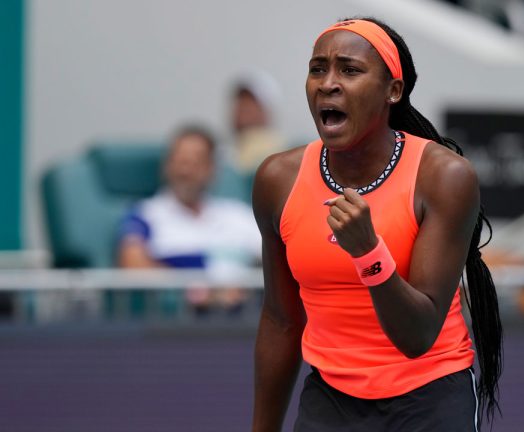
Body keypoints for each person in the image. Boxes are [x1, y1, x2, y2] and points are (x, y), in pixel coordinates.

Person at [251, 17, 503, 431]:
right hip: (330, 402)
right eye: (318, 68)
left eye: (349, 70)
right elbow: (281, 320)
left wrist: (369, 252)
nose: (328, 83)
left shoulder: (444, 177)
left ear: (393, 91)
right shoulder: (277, 179)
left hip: (430, 400)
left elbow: (416, 335)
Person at [117, 125, 262, 314]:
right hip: (175, 329)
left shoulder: (238, 215)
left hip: (243, 325)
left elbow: (279, 259)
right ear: (166, 166)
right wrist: (194, 290)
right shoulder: (145, 214)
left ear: (212, 169)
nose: (186, 171)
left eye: (195, 162)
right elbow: (132, 265)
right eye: (179, 161)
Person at [227, 71, 286, 175]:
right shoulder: (223, 155)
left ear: (267, 110)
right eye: (240, 101)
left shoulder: (280, 155)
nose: (243, 107)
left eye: (251, 102)